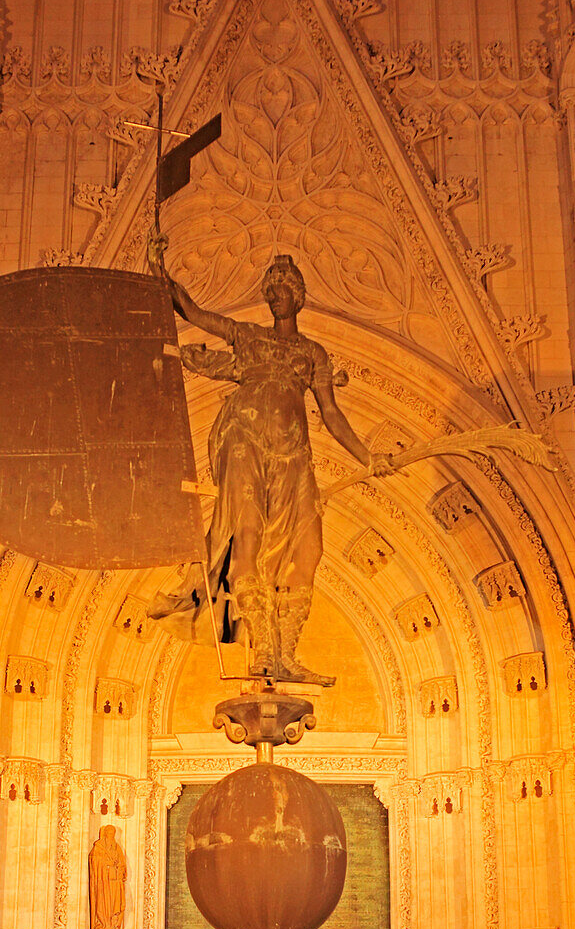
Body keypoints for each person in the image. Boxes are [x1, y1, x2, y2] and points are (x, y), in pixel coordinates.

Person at [147, 248, 393, 686]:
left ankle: (285, 654)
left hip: (293, 453)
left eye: (284, 289)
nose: (276, 296)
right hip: (245, 438)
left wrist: (368, 456)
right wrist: (160, 273)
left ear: (298, 297)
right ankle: (262, 649)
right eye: (271, 289)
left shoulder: (313, 353)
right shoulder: (248, 335)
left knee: (309, 549)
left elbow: (332, 415)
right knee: (248, 538)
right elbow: (195, 312)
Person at [88, 824, 127, 929]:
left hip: (114, 882)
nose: (111, 836)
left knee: (115, 903)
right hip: (103, 882)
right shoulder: (98, 847)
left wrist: (119, 869)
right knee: (103, 903)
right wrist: (106, 865)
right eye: (109, 834)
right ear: (104, 834)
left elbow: (122, 864)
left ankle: (113, 925)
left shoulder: (117, 848)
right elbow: (94, 862)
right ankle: (102, 925)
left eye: (113, 834)